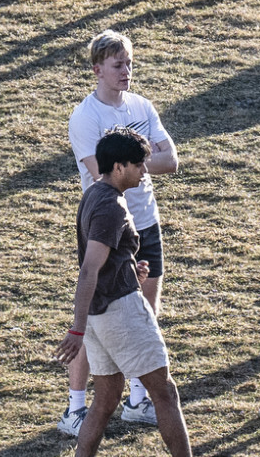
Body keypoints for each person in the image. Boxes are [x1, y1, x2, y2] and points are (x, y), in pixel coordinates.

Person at [52, 127, 229, 457]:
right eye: (138, 164)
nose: (145, 170)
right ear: (118, 166)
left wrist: (132, 269)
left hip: (104, 315)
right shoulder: (111, 206)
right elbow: (89, 269)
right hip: (120, 312)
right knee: (163, 392)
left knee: (105, 399)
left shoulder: (94, 195)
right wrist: (75, 329)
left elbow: (105, 261)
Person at [61, 30, 181, 436]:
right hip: (107, 227)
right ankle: (75, 409)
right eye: (117, 65)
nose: (126, 71)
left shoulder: (141, 105)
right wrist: (144, 159)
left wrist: (138, 162)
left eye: (129, 63)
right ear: (97, 69)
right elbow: (103, 175)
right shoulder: (86, 117)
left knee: (144, 313)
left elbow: (172, 160)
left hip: (146, 222)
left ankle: (137, 400)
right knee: (97, 318)